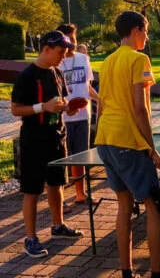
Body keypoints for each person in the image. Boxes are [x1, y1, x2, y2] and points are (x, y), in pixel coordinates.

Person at [95, 11, 160, 278]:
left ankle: (126, 272)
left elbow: (101, 106)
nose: (146, 38)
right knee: (154, 206)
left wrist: (102, 137)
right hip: (128, 141)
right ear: (137, 30)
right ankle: (157, 273)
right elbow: (141, 109)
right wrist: (152, 148)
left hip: (106, 139)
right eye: (146, 32)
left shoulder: (107, 61)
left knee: (124, 205)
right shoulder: (139, 59)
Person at [11, 30, 84, 258]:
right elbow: (15, 109)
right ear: (46, 49)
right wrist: (42, 107)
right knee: (32, 190)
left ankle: (58, 225)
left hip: (56, 136)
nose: (64, 56)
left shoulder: (57, 73)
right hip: (34, 140)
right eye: (61, 52)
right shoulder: (26, 76)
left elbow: (59, 102)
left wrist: (67, 108)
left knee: (57, 184)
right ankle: (30, 238)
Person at [57, 24, 99, 207]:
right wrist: (66, 107)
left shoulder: (83, 58)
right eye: (67, 39)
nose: (72, 42)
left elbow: (87, 86)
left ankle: (80, 194)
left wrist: (100, 99)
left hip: (83, 116)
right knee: (62, 159)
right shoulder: (56, 61)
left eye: (73, 38)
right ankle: (59, 199)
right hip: (63, 118)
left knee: (80, 157)